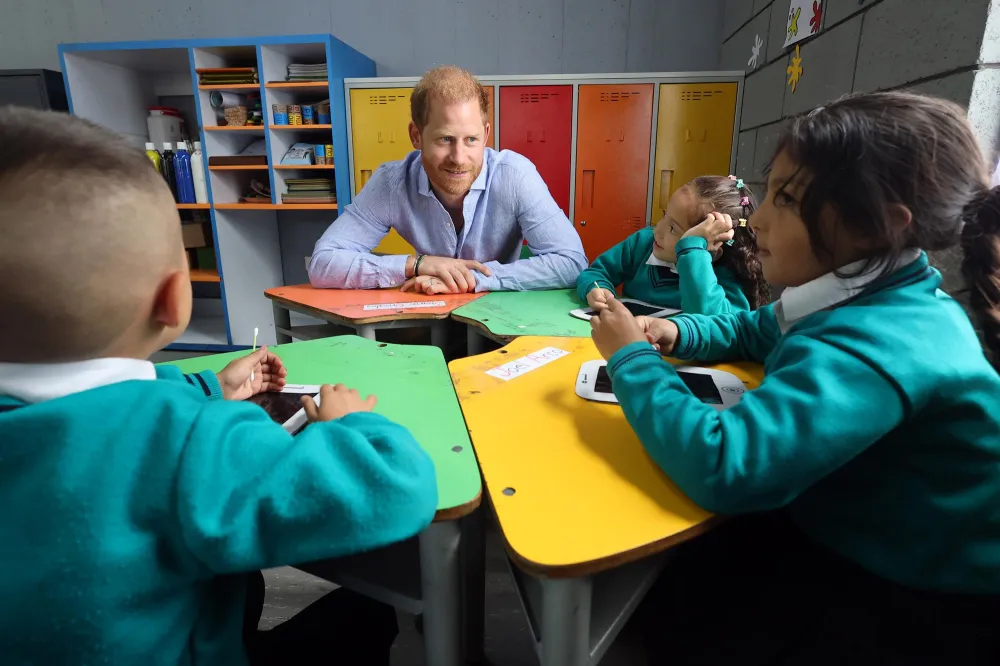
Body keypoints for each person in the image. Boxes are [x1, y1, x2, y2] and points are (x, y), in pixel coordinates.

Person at [0, 107, 438, 666]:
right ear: (174, 299)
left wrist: (208, 389)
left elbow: (101, 415)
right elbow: (396, 486)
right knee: (369, 613)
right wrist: (349, 425)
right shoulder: (192, 443)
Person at [591, 91, 1000, 664]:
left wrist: (631, 361)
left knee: (673, 615)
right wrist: (678, 335)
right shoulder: (863, 291)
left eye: (785, 197)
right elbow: (756, 329)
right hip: (848, 518)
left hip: (921, 594)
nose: (755, 219)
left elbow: (723, 464)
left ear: (874, 225)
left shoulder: (884, 344)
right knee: (675, 585)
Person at [307, 65, 588, 294]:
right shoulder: (391, 182)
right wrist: (417, 265)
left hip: (500, 317)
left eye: (471, 140)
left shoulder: (515, 175)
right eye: (445, 139)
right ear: (416, 136)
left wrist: (473, 279)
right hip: (431, 316)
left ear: (486, 135)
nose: (459, 157)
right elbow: (323, 262)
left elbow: (572, 262)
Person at [576, 175, 768, 314]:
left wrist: (693, 253)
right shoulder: (643, 243)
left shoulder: (726, 272)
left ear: (713, 246)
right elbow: (596, 272)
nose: (658, 230)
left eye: (673, 229)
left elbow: (715, 322)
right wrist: (596, 288)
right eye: (665, 216)